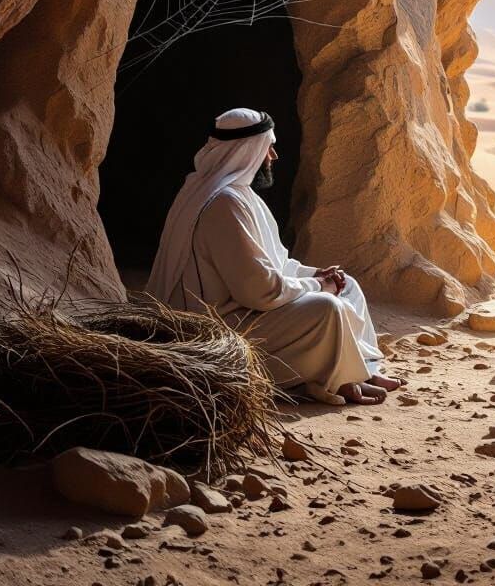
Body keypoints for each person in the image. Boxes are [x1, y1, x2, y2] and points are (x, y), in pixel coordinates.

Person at [146, 108, 403, 405]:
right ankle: (338, 379)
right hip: (222, 326)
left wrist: (318, 275)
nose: (274, 156)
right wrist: (319, 286)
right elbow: (260, 291)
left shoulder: (243, 197)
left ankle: (362, 373)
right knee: (326, 309)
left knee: (348, 286)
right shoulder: (223, 205)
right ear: (248, 151)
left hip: (249, 306)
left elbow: (277, 264)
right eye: (269, 147)